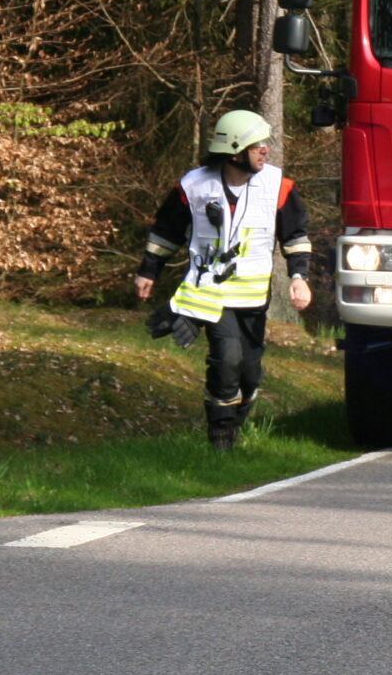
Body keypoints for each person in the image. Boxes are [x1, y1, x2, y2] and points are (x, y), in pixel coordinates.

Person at [133, 110, 314, 450]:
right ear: (235, 151)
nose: (266, 150)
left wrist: (299, 276)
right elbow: (166, 230)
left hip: (252, 298)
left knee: (248, 372)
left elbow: (295, 236)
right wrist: (148, 270)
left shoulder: (279, 186)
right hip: (210, 293)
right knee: (226, 359)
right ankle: (220, 437)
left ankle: (238, 411)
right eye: (257, 145)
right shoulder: (194, 186)